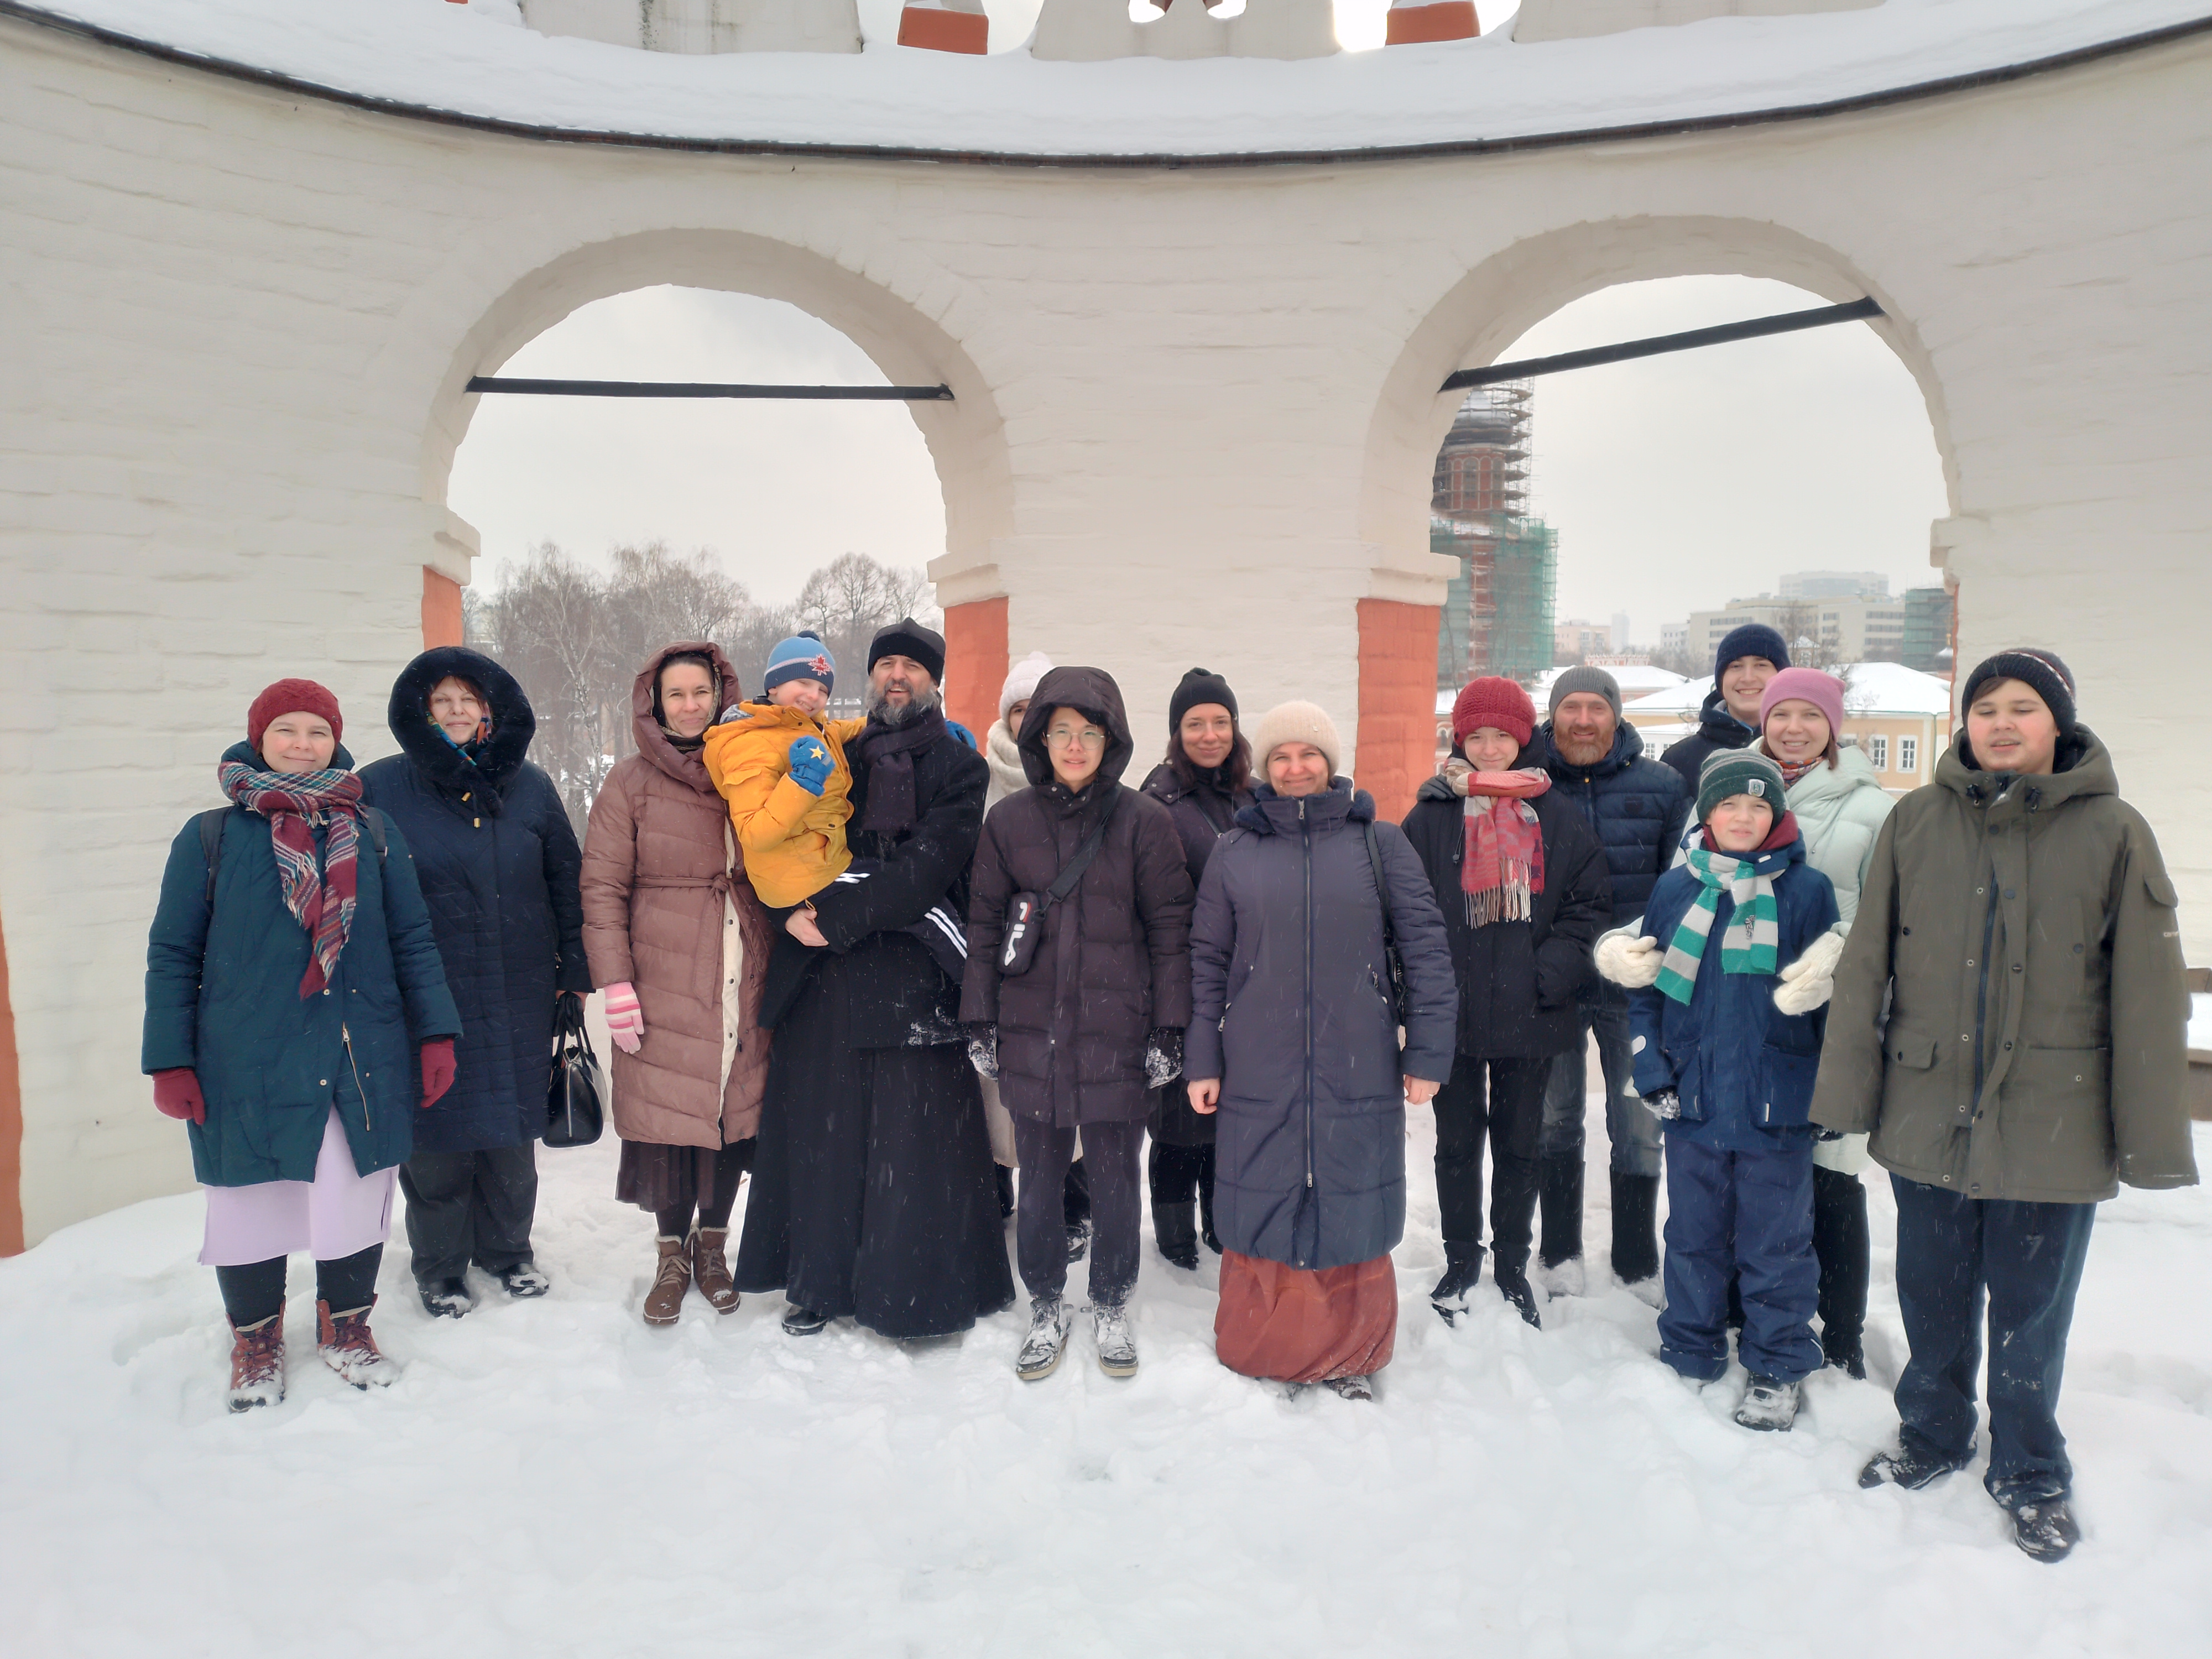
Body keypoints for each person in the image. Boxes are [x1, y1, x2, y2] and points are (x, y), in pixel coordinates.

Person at [1813, 650, 2195, 1562]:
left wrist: (2147, 1136)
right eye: (1986, 707)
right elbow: (1867, 966)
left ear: (2057, 723)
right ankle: (1934, 1434)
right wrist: (1847, 1093)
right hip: (1926, 1105)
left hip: (2054, 1118)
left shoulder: (2114, 831)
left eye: (2023, 707)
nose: (2002, 722)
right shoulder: (1917, 821)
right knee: (1932, 1293)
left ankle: (2029, 1465)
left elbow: (2149, 990)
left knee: (2032, 1308)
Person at [144, 679, 461, 1410]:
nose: (301, 744)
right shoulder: (212, 837)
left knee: (352, 1192)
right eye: (286, 730)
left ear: (335, 740)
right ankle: (255, 1341)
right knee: (249, 1203)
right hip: (243, 1061)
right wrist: (169, 1057)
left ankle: (346, 1328)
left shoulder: (374, 831)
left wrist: (436, 1030)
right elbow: (173, 951)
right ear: (259, 739)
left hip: (358, 1050)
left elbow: (413, 939)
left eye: (316, 732)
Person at [1598, 666, 1894, 1374]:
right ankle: (1699, 1340)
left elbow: (1888, 918)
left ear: (1833, 725)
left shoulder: (1865, 818)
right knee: (1700, 1230)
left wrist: (1839, 969)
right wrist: (1620, 953)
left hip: (1789, 1063)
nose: (1794, 727)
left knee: (1798, 1222)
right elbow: (1663, 938)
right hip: (1704, 1082)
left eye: (1810, 715)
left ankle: (1813, 1345)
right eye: (1780, 714)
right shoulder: (1701, 854)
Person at [735, 618, 1016, 1339]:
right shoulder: (835, 749)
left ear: (934, 680)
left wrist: (839, 916)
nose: (898, 675)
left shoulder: (960, 766)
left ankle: (916, 1289)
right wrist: (785, 909)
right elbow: (780, 836)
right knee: (825, 1138)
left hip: (912, 971)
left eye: (913, 667)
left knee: (913, 1144)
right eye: (886, 664)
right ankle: (818, 1281)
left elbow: (934, 864)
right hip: (827, 978)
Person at [1186, 702, 1456, 1400]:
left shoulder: (1380, 843)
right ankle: (1265, 1344)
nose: (1295, 767)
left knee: (1349, 1197)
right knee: (1264, 1193)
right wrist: (1201, 1058)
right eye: (1281, 757)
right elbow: (1206, 963)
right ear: (1264, 767)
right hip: (1257, 1060)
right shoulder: (1235, 851)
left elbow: (1425, 948)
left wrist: (1427, 1054)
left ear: (1330, 763)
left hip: (1356, 1057)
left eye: (1308, 754)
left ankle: (1350, 1350)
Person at [963, 667, 1194, 1379]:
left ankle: (1112, 1299)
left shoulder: (1143, 823)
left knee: (1116, 1176)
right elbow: (982, 928)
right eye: (1059, 731)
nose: (1072, 745)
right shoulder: (1007, 823)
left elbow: (1170, 933)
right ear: (1039, 738)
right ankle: (1044, 1301)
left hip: (1117, 1032)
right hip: (1032, 1030)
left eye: (1087, 732)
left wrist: (1169, 1028)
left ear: (1109, 740)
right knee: (1038, 1178)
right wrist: (981, 1018)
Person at [359, 648, 589, 1318]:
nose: (457, 711)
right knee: (436, 1143)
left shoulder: (532, 786)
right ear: (420, 712)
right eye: (442, 701)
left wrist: (573, 971)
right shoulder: (382, 788)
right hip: (427, 991)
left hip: (519, 986)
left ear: (490, 710)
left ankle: (509, 1253)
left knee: (511, 1141)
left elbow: (564, 882)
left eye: (469, 700)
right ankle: (440, 1267)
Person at [1631, 749, 1839, 1431]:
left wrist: (1832, 1090)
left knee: (1775, 1241)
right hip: (1692, 1097)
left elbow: (1829, 1000)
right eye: (1729, 805)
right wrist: (1651, 1070)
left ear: (1776, 815)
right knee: (1692, 1234)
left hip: (1775, 1100)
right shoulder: (1675, 890)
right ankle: (1689, 1346)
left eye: (1757, 806)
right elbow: (1646, 991)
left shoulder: (1806, 892)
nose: (1743, 818)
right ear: (1707, 815)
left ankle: (1777, 1364)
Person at [1402, 677, 1611, 1329]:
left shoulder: (1556, 817)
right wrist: (1426, 990)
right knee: (1456, 1147)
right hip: (1454, 1015)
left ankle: (1512, 1263)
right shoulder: (1431, 816)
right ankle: (1462, 1260)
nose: (1489, 748)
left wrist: (1543, 975)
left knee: (1521, 1147)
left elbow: (1588, 908)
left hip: (1532, 1015)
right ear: (1460, 738)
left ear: (1523, 739)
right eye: (1476, 735)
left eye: (1502, 735)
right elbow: (1403, 911)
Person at [581, 644, 774, 1327]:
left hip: (741, 962)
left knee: (728, 1111)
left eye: (701, 692)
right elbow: (601, 885)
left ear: (721, 694)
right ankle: (671, 1252)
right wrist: (616, 984)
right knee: (668, 1118)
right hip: (663, 970)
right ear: (655, 704)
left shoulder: (747, 771)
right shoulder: (630, 783)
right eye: (676, 695)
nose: (689, 706)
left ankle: (713, 1246)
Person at [1532, 666, 1691, 1296]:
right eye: (1569, 707)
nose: (1582, 720)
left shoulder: (1662, 786)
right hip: (1556, 983)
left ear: (1616, 715)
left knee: (1638, 1126)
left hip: (1637, 989)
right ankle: (1560, 1251)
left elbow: (1678, 882)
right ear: (1552, 716)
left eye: (1595, 707)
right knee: (1554, 1119)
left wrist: (1650, 954)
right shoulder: (1530, 786)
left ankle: (1634, 1258)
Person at [1138, 667, 1256, 1268]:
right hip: (1183, 978)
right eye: (1194, 724)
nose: (1209, 735)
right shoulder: (1157, 801)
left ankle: (1219, 1221)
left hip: (1249, 981)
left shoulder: (1253, 796)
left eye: (1220, 722)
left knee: (1228, 1111)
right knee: (1179, 1118)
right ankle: (1174, 1233)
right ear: (1175, 732)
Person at [702, 629, 863, 911]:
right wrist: (802, 784)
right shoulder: (750, 741)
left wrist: (921, 722)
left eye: (823, 690)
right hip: (800, 883)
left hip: (828, 864)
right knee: (917, 909)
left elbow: (847, 728)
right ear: (773, 685)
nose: (814, 696)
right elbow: (755, 833)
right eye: (803, 682)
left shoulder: (813, 727)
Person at [980, 649, 1055, 1222]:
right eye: (1019, 709)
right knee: (996, 1082)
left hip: (1063, 954)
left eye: (1041, 709)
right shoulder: (980, 778)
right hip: (1001, 948)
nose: (1028, 721)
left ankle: (1067, 1201)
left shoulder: (1078, 773)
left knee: (1062, 1081)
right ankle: (998, 1184)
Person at [1658, 623, 1790, 790]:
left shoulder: (1804, 752)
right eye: (1736, 666)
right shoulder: (1680, 760)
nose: (1748, 678)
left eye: (1761, 665)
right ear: (1721, 680)